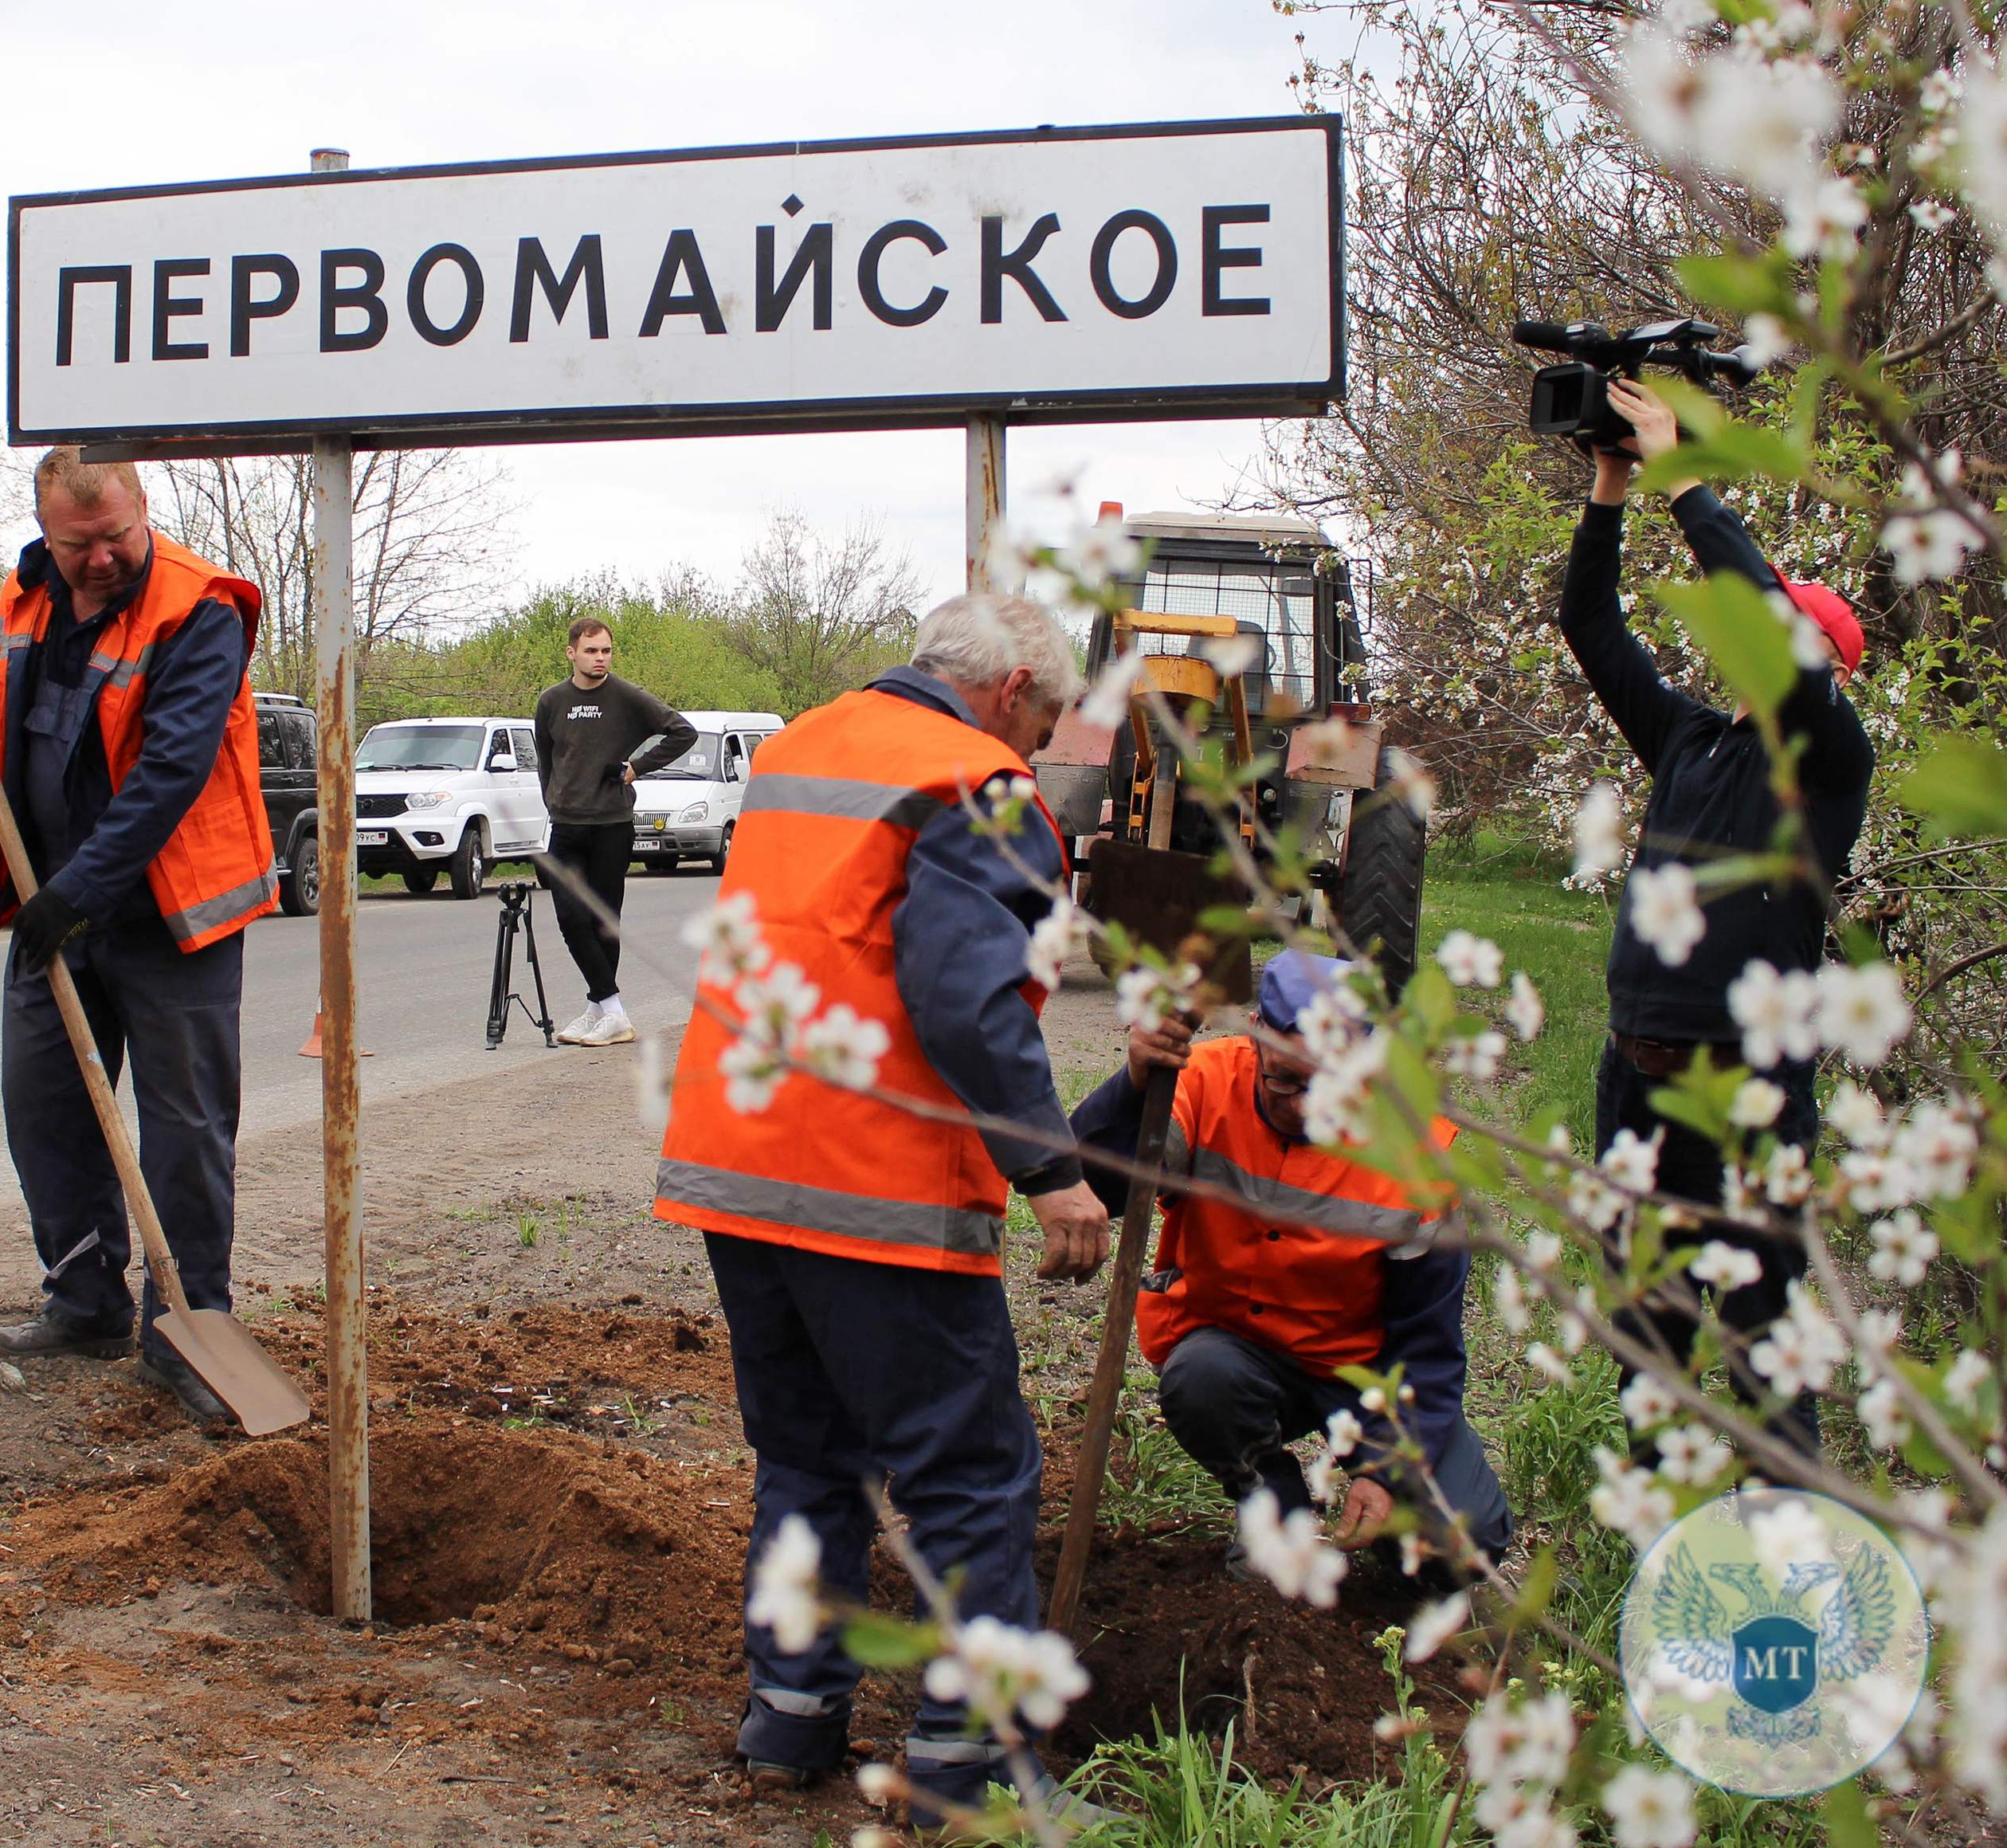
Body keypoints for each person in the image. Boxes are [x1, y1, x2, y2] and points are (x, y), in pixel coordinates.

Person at [650, 592, 1111, 1819]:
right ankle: (974, 1766)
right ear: (1012, 691)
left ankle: (790, 1724)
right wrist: (1051, 1168)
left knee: (809, 1458)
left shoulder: (802, 744)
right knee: (969, 1472)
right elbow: (965, 1000)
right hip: (876, 1179)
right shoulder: (979, 782)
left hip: (739, 1161)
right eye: (1046, 725)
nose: (1037, 757)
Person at [0, 450, 276, 1426]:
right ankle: (84, 1302)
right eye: (80, 545)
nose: (103, 558)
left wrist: (77, 891)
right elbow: (29, 721)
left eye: (116, 536)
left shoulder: (199, 610)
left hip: (168, 914)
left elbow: (170, 771)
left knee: (186, 1130)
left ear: (142, 508)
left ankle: (190, 1329)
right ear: (45, 527)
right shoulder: (27, 597)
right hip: (53, 905)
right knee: (46, 1111)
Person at [1562, 376, 1873, 1453]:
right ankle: (1655, 1518)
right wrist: (1610, 488)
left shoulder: (1829, 759)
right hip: (1637, 1072)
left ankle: (1798, 1509)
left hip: (1742, 1085)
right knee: (1645, 1309)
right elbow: (1591, 627)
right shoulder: (1691, 742)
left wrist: (1682, 477)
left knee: (1758, 1319)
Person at [1066, 952, 1511, 1593]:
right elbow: (1099, 1188)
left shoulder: (1418, 1157)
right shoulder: (1200, 1084)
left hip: (1360, 1376)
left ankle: (1391, 1552)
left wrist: (1383, 1471)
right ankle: (1274, 1509)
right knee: (1202, 1381)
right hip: (1234, 1354)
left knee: (1462, 1548)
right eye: (1284, 1082)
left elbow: (1430, 1349)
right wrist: (1135, 1082)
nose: (1305, 1106)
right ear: (1255, 1034)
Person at [531, 616, 693, 1046]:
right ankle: (610, 1010)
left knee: (604, 921)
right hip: (566, 826)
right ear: (571, 653)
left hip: (611, 826)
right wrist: (553, 800)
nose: (599, 658)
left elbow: (683, 732)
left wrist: (637, 768)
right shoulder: (551, 701)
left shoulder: (625, 696)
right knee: (570, 917)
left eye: (605, 650)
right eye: (591, 651)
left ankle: (601, 1011)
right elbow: (546, 759)